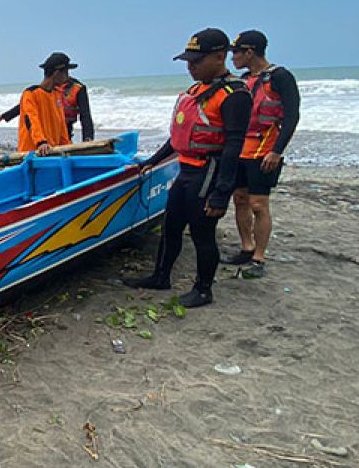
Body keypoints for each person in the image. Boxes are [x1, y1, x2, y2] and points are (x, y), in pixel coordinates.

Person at [124, 28, 251, 307]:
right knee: (171, 226)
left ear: (219, 56)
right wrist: (152, 162)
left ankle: (204, 290)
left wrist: (221, 192)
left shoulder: (234, 94)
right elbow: (178, 137)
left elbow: (233, 146)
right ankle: (161, 276)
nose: (191, 68)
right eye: (188, 63)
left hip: (209, 172)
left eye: (196, 62)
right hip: (186, 170)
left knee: (202, 233)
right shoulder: (197, 91)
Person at [222, 30, 301, 278]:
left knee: (259, 204)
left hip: (264, 149)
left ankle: (259, 256)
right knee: (240, 199)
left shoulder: (280, 77)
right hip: (240, 150)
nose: (232, 58)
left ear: (250, 52)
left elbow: (292, 116)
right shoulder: (244, 80)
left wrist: (277, 151)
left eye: (236, 52)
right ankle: (246, 247)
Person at [0, 62, 94, 141]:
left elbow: (85, 117)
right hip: (44, 131)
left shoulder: (78, 89)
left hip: (64, 132)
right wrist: (2, 117)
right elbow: (28, 106)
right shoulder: (47, 89)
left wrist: (88, 140)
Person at [17, 52, 74, 156]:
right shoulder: (31, 94)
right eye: (66, 72)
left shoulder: (57, 95)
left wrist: (67, 146)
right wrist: (41, 142)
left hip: (52, 152)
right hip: (33, 153)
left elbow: (61, 127)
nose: (68, 77)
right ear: (57, 73)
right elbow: (31, 119)